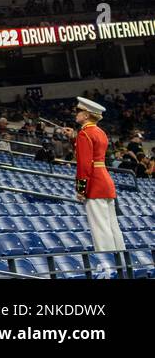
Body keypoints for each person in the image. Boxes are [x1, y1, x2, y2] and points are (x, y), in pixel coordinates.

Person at [69, 97, 125, 253]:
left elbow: (84, 166)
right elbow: (95, 153)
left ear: (86, 115)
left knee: (100, 228)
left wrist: (81, 189)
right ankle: (122, 260)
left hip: (94, 183)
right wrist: (73, 138)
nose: (76, 113)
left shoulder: (84, 134)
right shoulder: (101, 132)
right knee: (113, 226)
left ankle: (108, 266)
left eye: (78, 111)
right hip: (105, 180)